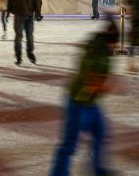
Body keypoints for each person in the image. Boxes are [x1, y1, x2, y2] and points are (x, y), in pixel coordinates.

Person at [49, 21, 119, 176]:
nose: (117, 46)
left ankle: (98, 169)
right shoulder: (95, 53)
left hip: (91, 103)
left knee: (100, 133)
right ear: (111, 40)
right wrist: (105, 86)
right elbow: (90, 82)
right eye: (116, 42)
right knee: (70, 144)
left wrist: (104, 85)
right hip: (78, 103)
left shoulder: (103, 51)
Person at [8, 0, 38, 65]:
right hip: (19, 15)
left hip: (29, 16)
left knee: (30, 36)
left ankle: (30, 53)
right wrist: (8, 12)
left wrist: (37, 12)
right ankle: (18, 56)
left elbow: (36, 1)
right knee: (19, 36)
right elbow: (10, 0)